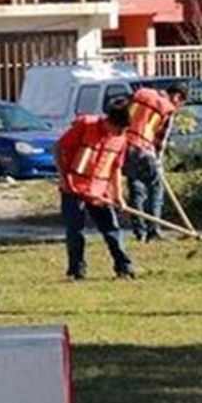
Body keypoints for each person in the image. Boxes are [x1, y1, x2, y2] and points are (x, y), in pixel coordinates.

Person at [55, 99, 135, 280]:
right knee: (75, 231)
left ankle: (124, 267)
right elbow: (59, 148)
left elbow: (116, 168)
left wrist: (118, 196)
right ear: (109, 122)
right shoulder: (86, 125)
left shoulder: (120, 139)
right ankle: (77, 271)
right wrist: (64, 179)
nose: (121, 134)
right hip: (73, 188)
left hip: (99, 191)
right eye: (119, 129)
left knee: (112, 230)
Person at [123, 83, 186, 241]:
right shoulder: (166, 107)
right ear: (177, 97)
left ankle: (139, 232)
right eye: (180, 103)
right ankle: (153, 230)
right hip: (143, 149)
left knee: (136, 188)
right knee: (156, 187)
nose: (178, 107)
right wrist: (158, 164)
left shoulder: (141, 93)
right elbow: (160, 141)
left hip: (123, 146)